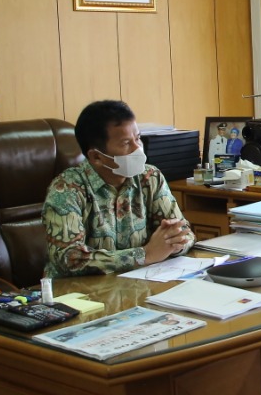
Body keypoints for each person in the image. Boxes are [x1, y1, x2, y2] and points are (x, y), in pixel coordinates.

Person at [42, 99, 194, 278]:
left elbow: (185, 232)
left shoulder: (149, 177)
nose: (138, 149)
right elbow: (69, 258)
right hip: (79, 290)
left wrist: (175, 243)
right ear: (97, 157)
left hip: (139, 283)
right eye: (126, 143)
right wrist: (144, 255)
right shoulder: (67, 190)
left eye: (137, 138)